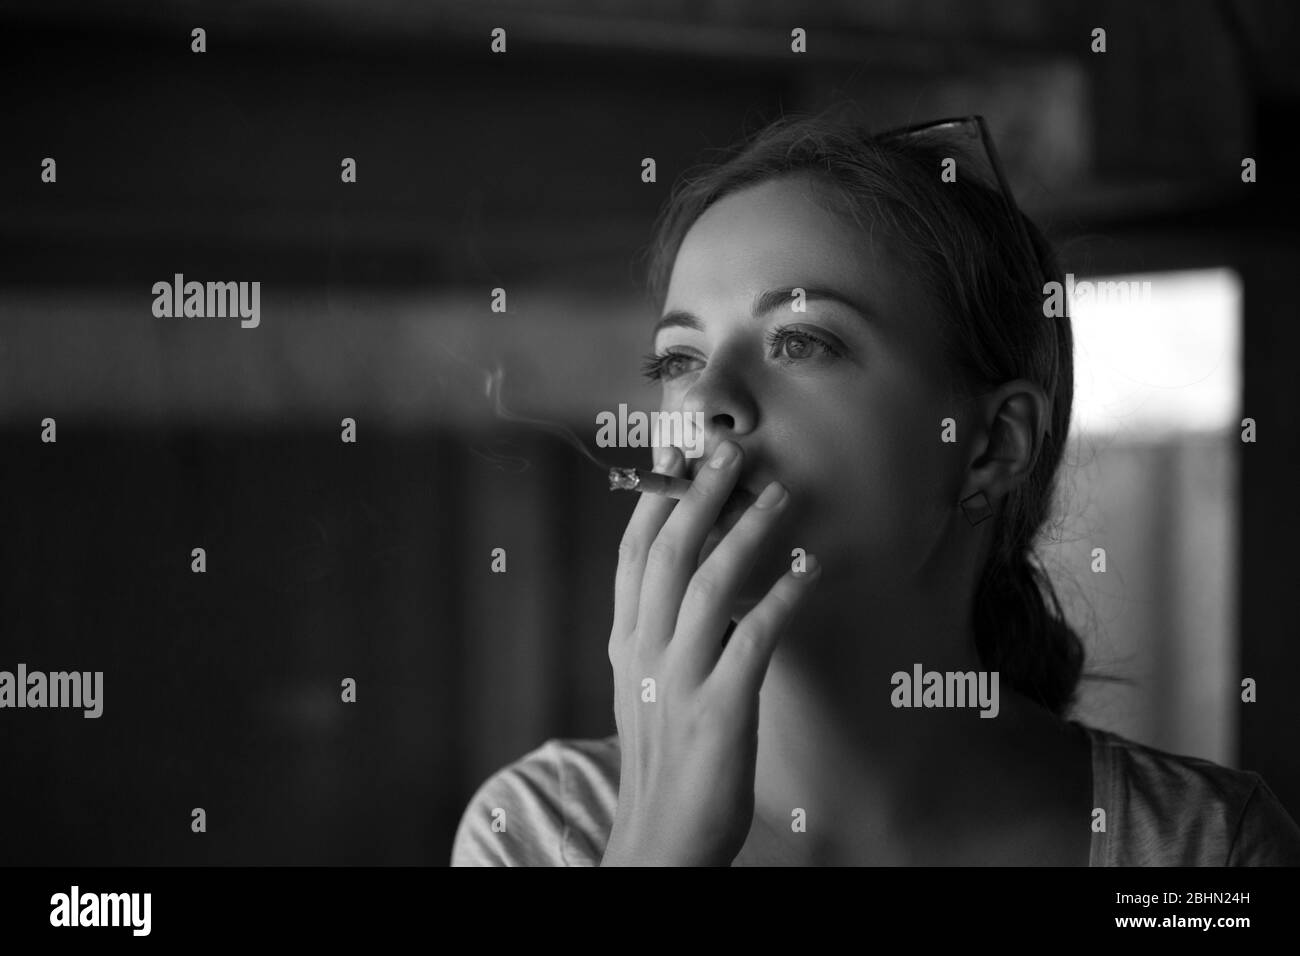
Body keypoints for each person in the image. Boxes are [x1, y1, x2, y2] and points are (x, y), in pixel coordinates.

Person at [451, 108, 1300, 866]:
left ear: (989, 447)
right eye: (680, 358)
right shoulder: (539, 830)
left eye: (801, 341)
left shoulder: (1205, 854)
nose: (704, 401)